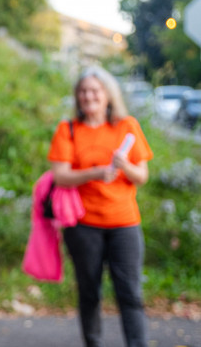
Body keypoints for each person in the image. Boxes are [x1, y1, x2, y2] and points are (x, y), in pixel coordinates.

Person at [49, 66, 152, 347]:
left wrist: (125, 166)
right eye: (83, 91)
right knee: (89, 292)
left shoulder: (126, 126)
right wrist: (94, 173)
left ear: (107, 95)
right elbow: (60, 176)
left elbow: (142, 176)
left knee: (130, 292)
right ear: (77, 97)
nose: (88, 96)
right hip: (84, 225)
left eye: (94, 90)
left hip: (124, 223)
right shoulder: (68, 129)